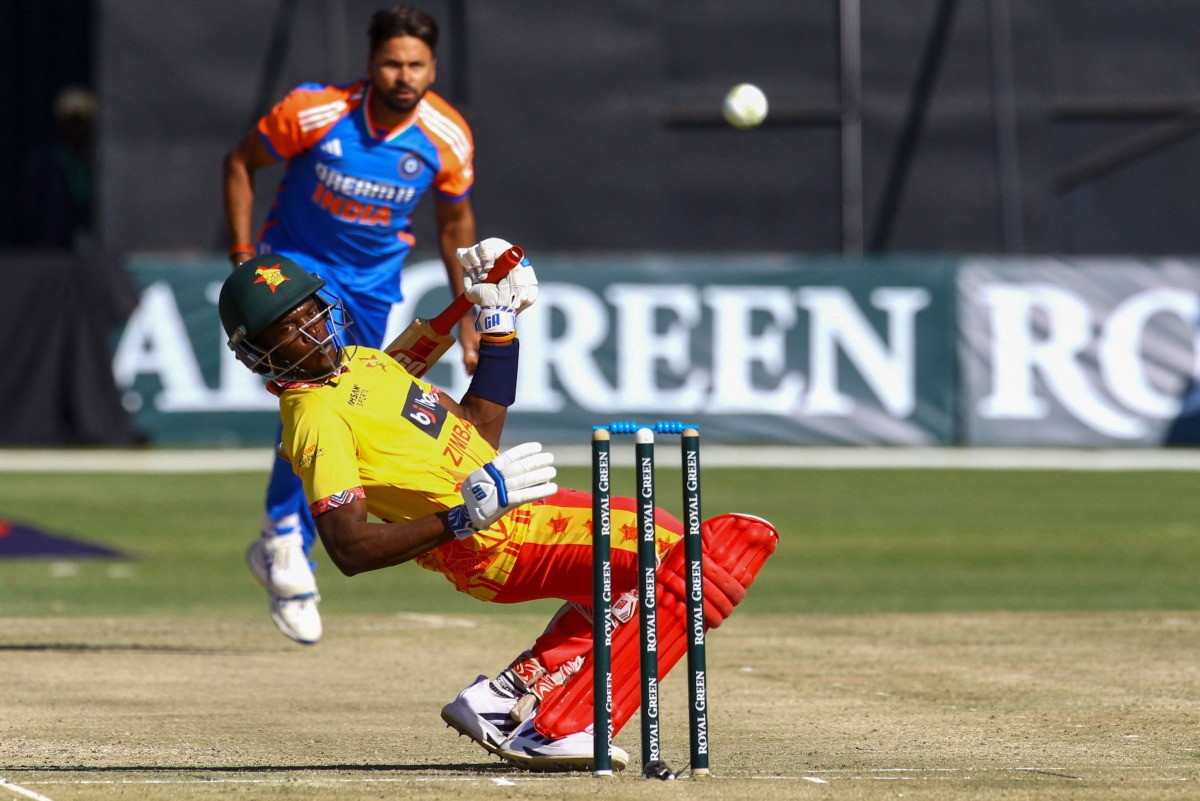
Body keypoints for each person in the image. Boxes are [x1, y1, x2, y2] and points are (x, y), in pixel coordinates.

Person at [215, 239, 779, 772]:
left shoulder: (364, 365)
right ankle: (555, 726)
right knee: (687, 563)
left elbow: (480, 428)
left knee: (655, 561)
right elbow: (349, 548)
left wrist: (496, 322)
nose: (311, 328)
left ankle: (509, 696)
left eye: (311, 309)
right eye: (289, 327)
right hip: (492, 541)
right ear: (258, 354)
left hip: (520, 512)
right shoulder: (315, 419)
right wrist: (464, 516)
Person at [222, 6, 482, 644]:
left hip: (369, 291)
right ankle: (286, 539)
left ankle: (283, 543)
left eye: (416, 64)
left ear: (432, 68)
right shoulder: (315, 111)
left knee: (349, 410)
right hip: (299, 277)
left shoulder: (447, 136)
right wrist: (242, 255)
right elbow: (239, 163)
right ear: (371, 66)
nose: (404, 75)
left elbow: (454, 227)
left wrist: (470, 309)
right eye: (392, 62)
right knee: (311, 400)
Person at [18, 85, 97, 251]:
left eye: (81, 122)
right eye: (71, 123)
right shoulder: (44, 162)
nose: (76, 130)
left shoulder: (97, 162)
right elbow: (31, 207)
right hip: (52, 245)